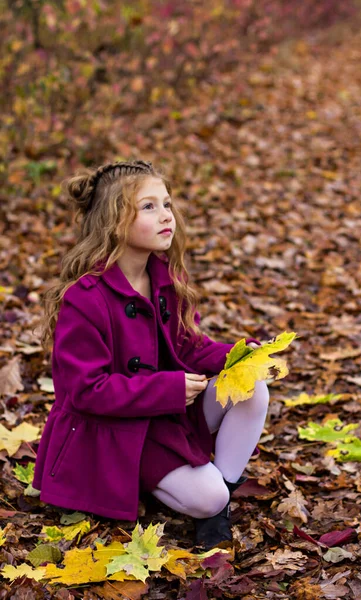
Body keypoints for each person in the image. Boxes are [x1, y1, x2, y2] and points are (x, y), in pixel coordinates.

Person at [32, 159, 270, 550]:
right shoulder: (85, 299)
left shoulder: (164, 278)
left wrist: (238, 356)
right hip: (112, 433)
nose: (166, 216)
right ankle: (207, 496)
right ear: (114, 222)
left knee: (251, 388)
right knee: (206, 494)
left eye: (167, 204)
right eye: (149, 207)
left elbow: (187, 346)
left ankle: (219, 499)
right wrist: (169, 389)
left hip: (161, 412)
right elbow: (86, 391)